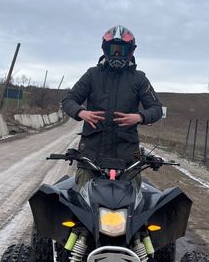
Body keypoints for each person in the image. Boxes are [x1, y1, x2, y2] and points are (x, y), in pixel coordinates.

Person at [61, 24, 163, 187]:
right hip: (91, 157)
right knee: (81, 199)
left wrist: (139, 117)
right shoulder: (92, 75)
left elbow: (156, 109)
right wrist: (80, 112)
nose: (117, 54)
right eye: (113, 49)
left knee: (134, 200)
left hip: (128, 160)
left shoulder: (139, 79)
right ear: (105, 49)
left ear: (131, 51)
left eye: (121, 50)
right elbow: (68, 100)